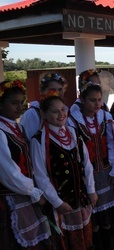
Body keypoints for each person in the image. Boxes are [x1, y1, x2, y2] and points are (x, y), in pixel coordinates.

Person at [31, 91, 97, 249]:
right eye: (55, 111)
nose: (61, 114)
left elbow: (86, 164)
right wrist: (57, 202)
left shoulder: (73, 133)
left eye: (63, 109)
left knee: (85, 240)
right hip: (62, 203)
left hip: (80, 198)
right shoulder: (39, 140)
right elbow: (41, 176)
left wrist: (91, 190)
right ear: (44, 115)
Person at [0, 80, 51, 249]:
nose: (19, 107)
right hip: (11, 195)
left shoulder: (17, 128)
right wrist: (34, 191)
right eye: (13, 103)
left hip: (25, 191)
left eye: (21, 103)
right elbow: (8, 172)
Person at [68, 81, 114, 249]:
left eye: (99, 100)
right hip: (88, 174)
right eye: (92, 100)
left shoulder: (106, 117)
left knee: (106, 213)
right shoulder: (73, 121)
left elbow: (112, 144)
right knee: (93, 212)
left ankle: (107, 243)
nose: (97, 104)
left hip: (105, 171)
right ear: (81, 99)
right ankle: (96, 242)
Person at [20, 72, 66, 141]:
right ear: (41, 91)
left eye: (60, 89)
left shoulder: (65, 110)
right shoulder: (33, 114)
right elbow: (29, 141)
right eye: (52, 90)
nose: (57, 93)